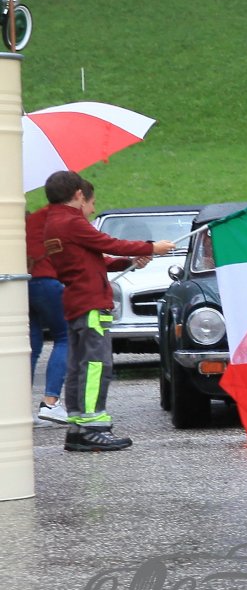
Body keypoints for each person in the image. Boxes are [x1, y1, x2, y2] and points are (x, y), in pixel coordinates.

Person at [39, 171, 176, 452]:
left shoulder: (52, 224)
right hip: (91, 303)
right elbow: (108, 243)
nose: (91, 209)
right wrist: (152, 247)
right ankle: (92, 427)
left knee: (78, 366)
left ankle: (78, 427)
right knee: (96, 365)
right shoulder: (71, 221)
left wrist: (128, 261)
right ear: (79, 194)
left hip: (76, 302)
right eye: (91, 203)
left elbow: (90, 259)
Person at [25, 207, 71, 424]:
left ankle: (20, 407)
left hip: (22, 283)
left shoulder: (18, 228)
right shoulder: (50, 215)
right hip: (46, 281)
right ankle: (50, 402)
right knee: (65, 337)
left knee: (31, 347)